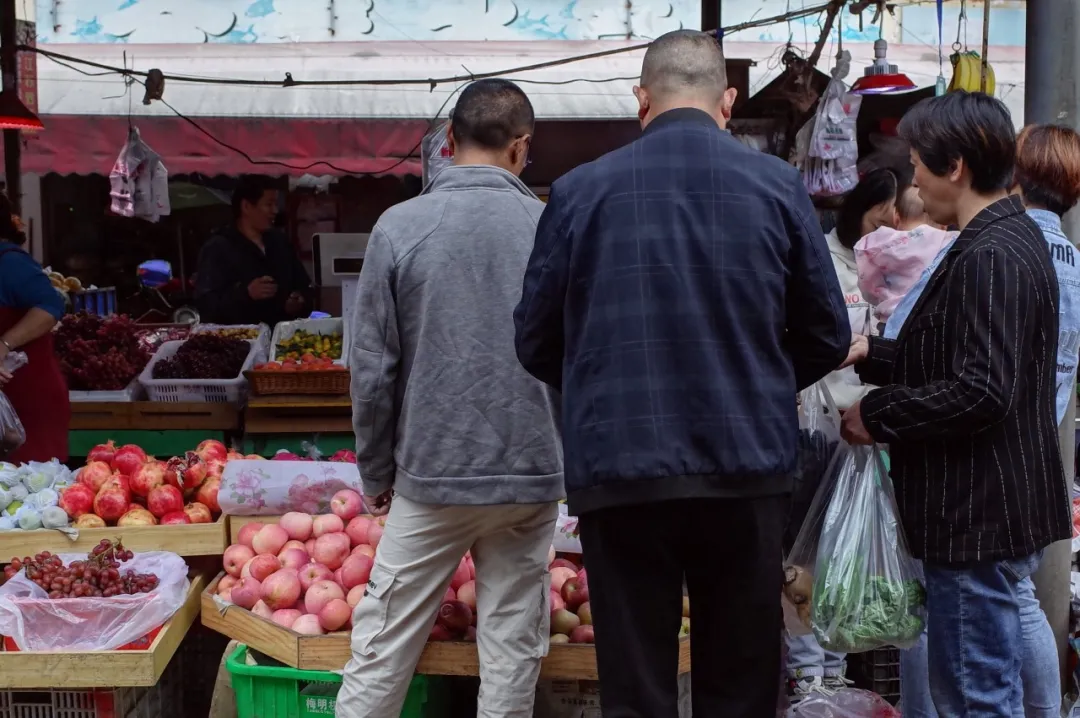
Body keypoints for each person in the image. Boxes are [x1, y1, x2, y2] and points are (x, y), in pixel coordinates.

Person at [514, 30, 851, 717]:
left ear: (641, 100)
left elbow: (535, 339)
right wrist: (758, 383)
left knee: (636, 684)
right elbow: (827, 334)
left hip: (621, 468)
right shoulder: (777, 186)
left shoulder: (579, 192)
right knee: (741, 677)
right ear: (727, 102)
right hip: (745, 467)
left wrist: (594, 387)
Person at [336, 79, 563, 718]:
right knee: (512, 649)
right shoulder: (550, 226)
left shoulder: (400, 226)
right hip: (531, 471)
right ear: (523, 148)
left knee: (382, 643)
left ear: (447, 142)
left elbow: (373, 369)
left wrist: (375, 472)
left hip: (433, 472)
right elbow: (578, 357)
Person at [841, 92, 1070, 717]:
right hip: (988, 504)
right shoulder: (1008, 239)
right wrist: (873, 353)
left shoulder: (991, 254)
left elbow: (981, 389)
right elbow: (973, 360)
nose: (912, 178)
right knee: (975, 687)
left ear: (956, 167)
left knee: (974, 696)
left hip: (976, 510)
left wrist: (879, 414)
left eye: (919, 163)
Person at [784, 168, 904, 701]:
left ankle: (833, 664)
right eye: (889, 208)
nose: (896, 220)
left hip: (869, 427)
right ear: (868, 205)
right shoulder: (823, 261)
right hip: (817, 429)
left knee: (846, 552)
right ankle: (808, 669)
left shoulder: (894, 260)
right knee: (804, 552)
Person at [0, 193, 69, 463]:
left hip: (28, 403)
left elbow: (51, 306)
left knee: (30, 489)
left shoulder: (11, 263)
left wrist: (4, 344)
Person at [194, 175, 312, 326]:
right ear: (246, 206)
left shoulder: (280, 242)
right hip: (241, 343)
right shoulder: (218, 248)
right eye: (269, 204)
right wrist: (246, 294)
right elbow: (206, 306)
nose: (275, 211)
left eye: (275, 204)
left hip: (283, 340)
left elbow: (304, 285)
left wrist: (298, 301)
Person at [855, 184, 956, 331]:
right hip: (927, 321)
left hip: (889, 320)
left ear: (896, 217)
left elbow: (866, 283)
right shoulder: (949, 241)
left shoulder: (879, 245)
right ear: (944, 225)